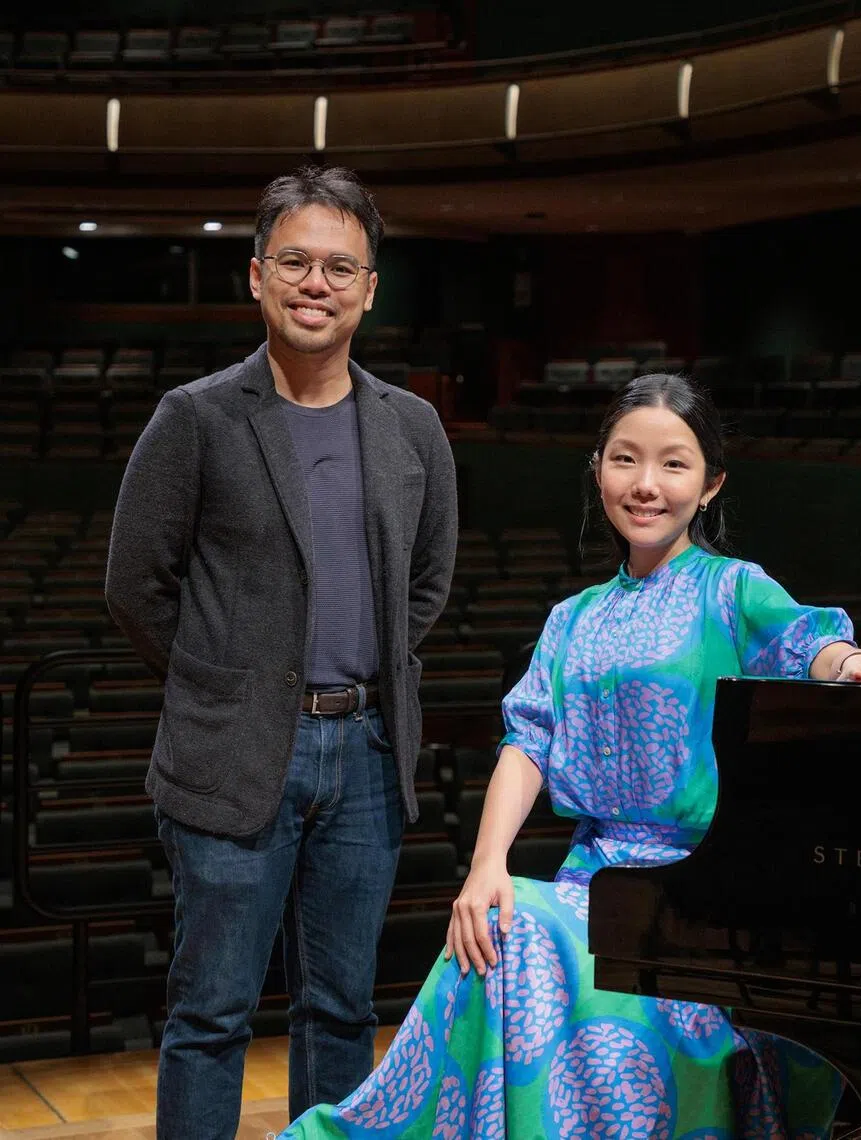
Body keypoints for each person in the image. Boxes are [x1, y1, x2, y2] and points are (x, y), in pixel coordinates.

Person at [278, 372, 861, 1140]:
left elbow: (805, 641)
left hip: (708, 896)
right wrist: (484, 869)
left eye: (673, 464)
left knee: (524, 941)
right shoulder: (570, 618)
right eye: (625, 460)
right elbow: (529, 742)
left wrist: (850, 663)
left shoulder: (731, 589)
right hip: (596, 887)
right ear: (598, 470)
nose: (646, 484)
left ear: (711, 484)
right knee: (501, 922)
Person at [104, 165, 457, 1140]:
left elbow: (427, 584)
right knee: (211, 1015)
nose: (317, 282)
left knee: (343, 1010)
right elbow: (135, 586)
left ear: (370, 287)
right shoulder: (197, 418)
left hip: (370, 764)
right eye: (295, 261)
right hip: (235, 757)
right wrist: (231, 683)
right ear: (257, 276)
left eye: (340, 266)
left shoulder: (413, 427)